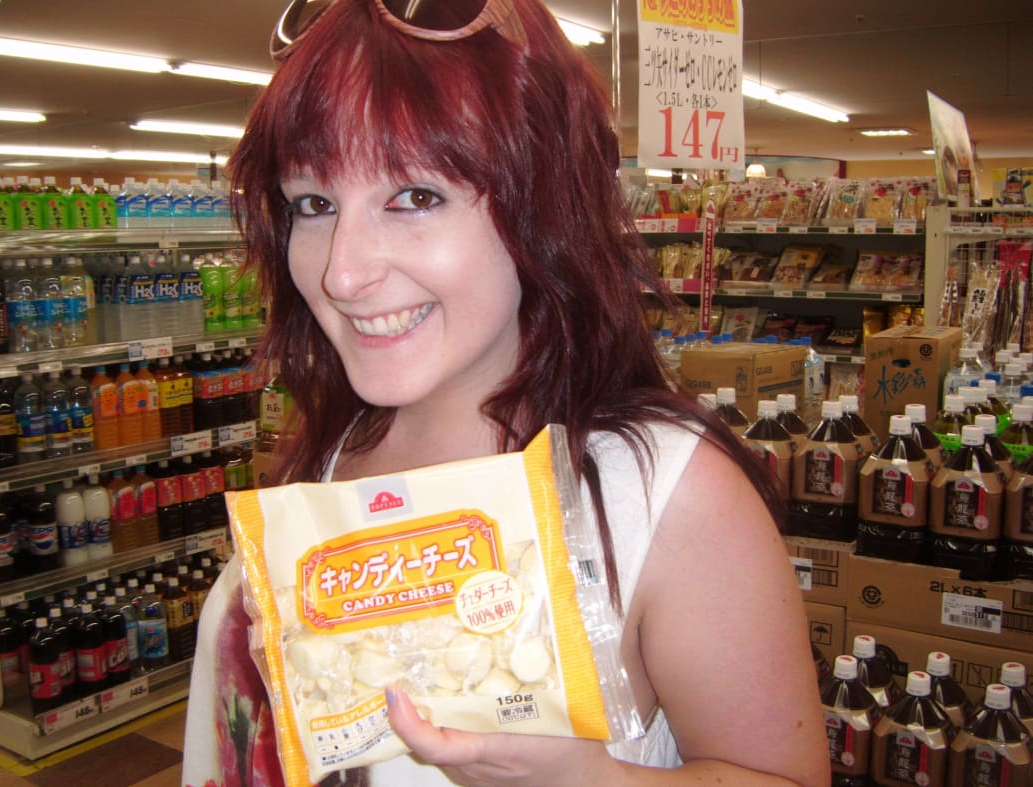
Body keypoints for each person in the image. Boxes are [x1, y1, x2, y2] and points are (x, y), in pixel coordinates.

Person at [182, 1, 829, 785]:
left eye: (415, 196)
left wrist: (586, 779)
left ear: (544, 205)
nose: (341, 273)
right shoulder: (331, 450)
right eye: (314, 204)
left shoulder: (663, 494)